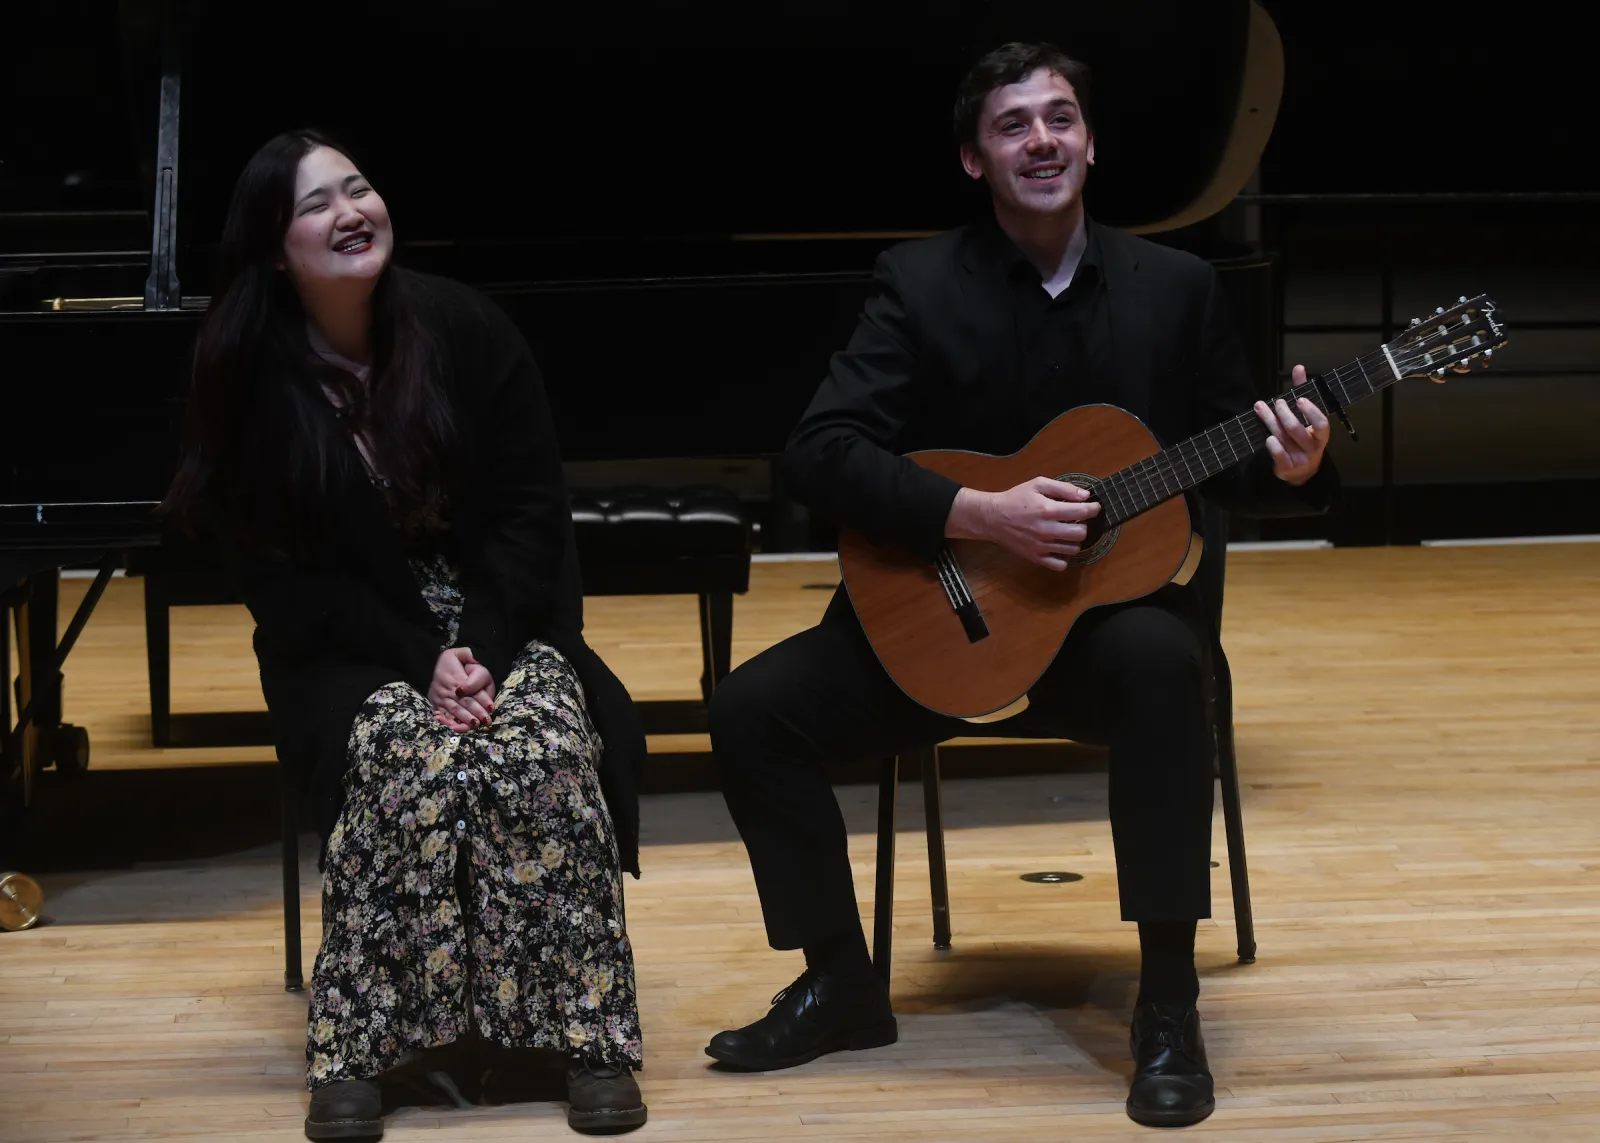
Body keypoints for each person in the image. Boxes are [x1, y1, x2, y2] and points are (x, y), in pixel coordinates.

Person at [704, 43, 1338, 1128]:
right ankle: (841, 984)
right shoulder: (917, 281)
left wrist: (1293, 463)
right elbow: (818, 452)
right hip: (941, 617)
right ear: (973, 158)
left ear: (1090, 143)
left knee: (1165, 664)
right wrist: (975, 513)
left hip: (1098, 636)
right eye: (1012, 125)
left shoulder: (1175, 290)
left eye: (1059, 119)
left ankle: (1168, 1007)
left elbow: (1234, 464)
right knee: (752, 715)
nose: (1040, 140)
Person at [162, 130, 648, 1138]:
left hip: (500, 614)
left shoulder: (463, 328)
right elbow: (285, 584)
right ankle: (357, 1049)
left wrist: (479, 649)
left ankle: (588, 1039)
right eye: (315, 204)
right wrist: (420, 662)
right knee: (399, 757)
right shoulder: (249, 378)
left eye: (359, 187)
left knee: (545, 749)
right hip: (345, 638)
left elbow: (529, 513)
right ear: (270, 248)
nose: (350, 211)